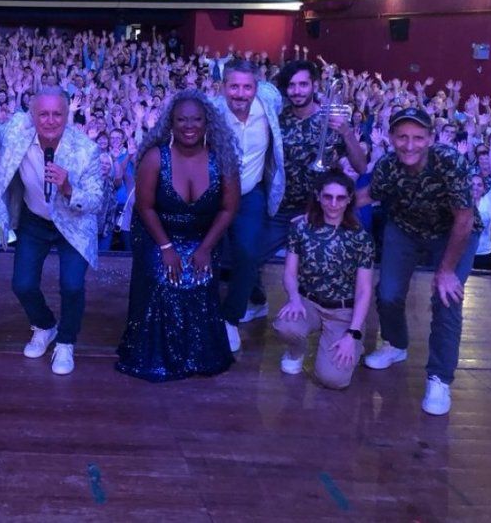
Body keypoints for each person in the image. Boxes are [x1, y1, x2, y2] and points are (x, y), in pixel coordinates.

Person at [360, 108, 479, 416]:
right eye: (402, 137)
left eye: (417, 138)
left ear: (430, 139)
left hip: (453, 233)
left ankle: (440, 377)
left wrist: (447, 270)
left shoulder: (450, 163)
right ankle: (396, 345)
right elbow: (366, 195)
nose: (409, 145)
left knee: (446, 297)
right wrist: (319, 209)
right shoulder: (387, 165)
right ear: (392, 139)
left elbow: (464, 219)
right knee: (387, 294)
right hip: (405, 228)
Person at [115, 89, 240, 382]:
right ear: (171, 123)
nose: (189, 125)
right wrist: (166, 246)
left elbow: (228, 209)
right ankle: (158, 357)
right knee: (165, 278)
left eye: (196, 119)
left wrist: (206, 247)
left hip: (203, 236)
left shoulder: (222, 159)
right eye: (182, 119)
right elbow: (145, 207)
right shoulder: (156, 158)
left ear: (207, 122)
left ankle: (197, 355)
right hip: (158, 233)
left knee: (201, 278)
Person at [245, 60, 367, 322]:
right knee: (250, 254)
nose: (297, 91)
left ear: (314, 85)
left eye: (303, 84)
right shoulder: (277, 120)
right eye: (291, 85)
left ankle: (324, 317)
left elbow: (360, 164)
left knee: (322, 267)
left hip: (319, 211)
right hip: (280, 207)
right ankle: (258, 301)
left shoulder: (331, 119)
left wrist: (346, 132)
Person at [0, 87, 103, 375]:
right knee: (23, 284)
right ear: (32, 115)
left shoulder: (86, 149)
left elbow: (94, 201)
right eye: (44, 114)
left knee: (72, 285)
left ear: (68, 115)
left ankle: (66, 341)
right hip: (34, 219)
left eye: (58, 114)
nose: (51, 120)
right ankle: (45, 325)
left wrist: (68, 188)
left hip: (74, 223)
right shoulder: (17, 136)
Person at [273, 170, 374, 388]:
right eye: (328, 196)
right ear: (318, 196)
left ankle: (354, 343)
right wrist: (294, 298)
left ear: (349, 200)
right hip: (308, 301)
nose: (333, 204)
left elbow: (364, 290)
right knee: (285, 326)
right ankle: (296, 351)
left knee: (334, 380)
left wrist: (352, 333)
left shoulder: (360, 237)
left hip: (342, 312)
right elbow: (290, 271)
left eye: (340, 198)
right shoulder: (301, 227)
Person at [213, 59, 285, 351]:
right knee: (209, 253)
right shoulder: (211, 111)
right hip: (215, 194)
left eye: (247, 87)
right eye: (234, 86)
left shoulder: (270, 104)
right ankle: (204, 314)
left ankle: (230, 319)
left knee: (247, 254)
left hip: (250, 193)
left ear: (257, 87)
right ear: (223, 87)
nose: (241, 93)